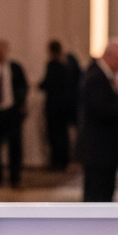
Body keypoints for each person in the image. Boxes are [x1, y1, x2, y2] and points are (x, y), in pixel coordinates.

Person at [77, 39, 118, 202]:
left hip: (103, 151)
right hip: (98, 150)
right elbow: (102, 110)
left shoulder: (102, 75)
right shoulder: (96, 76)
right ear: (111, 56)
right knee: (97, 196)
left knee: (104, 193)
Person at [0, 40, 28, 188]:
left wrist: (21, 104)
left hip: (12, 112)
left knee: (15, 145)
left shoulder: (15, 67)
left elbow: (23, 85)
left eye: (0, 50)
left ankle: (15, 178)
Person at [39, 41, 75, 170]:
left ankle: (57, 162)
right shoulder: (67, 64)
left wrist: (38, 85)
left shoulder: (53, 65)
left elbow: (48, 83)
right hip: (65, 106)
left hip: (54, 106)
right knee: (63, 135)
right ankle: (63, 160)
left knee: (55, 135)